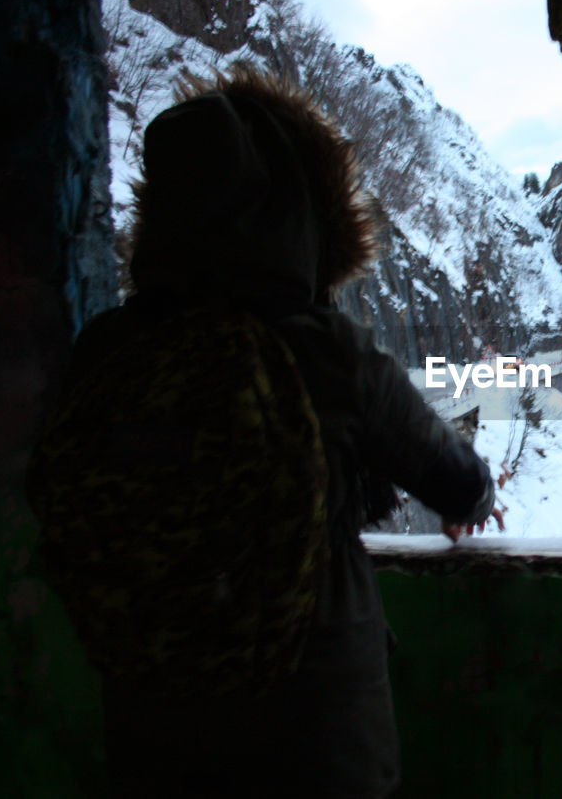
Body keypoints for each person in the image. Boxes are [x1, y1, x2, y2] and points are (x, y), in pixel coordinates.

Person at [58, 65, 500, 797]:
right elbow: (451, 476)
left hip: (151, 728)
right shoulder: (324, 351)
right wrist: (478, 497)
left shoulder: (108, 350)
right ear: (304, 217)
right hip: (315, 733)